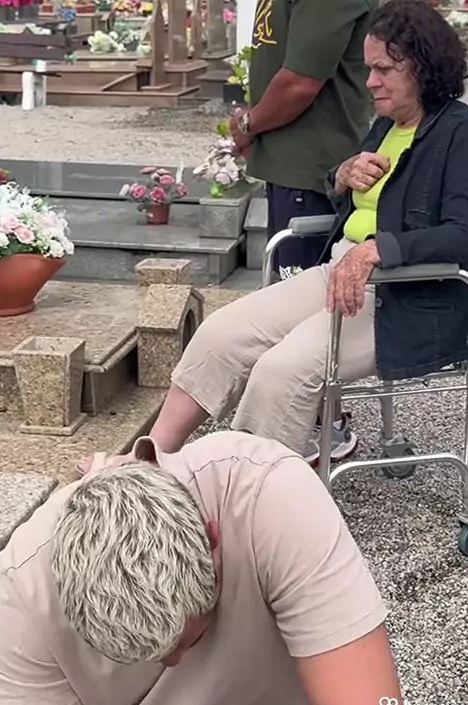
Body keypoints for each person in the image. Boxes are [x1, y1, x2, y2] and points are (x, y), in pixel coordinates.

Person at [0, 431, 411, 705]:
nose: (173, 663)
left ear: (213, 542)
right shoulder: (25, 584)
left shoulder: (271, 495)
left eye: (190, 640)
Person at [138, 0, 468, 466]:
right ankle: (150, 463)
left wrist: (378, 250)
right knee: (221, 335)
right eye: (369, 68)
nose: (370, 82)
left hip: (409, 296)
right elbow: (357, 199)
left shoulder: (458, 133)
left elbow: (462, 234)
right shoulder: (385, 126)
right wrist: (342, 176)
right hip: (342, 275)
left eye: (383, 70)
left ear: (423, 67)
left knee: (281, 371)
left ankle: (246, 493)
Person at [230, 0, 376, 279]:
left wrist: (249, 125)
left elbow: (300, 84)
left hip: (312, 164)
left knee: (301, 288)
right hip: (287, 158)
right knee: (284, 284)